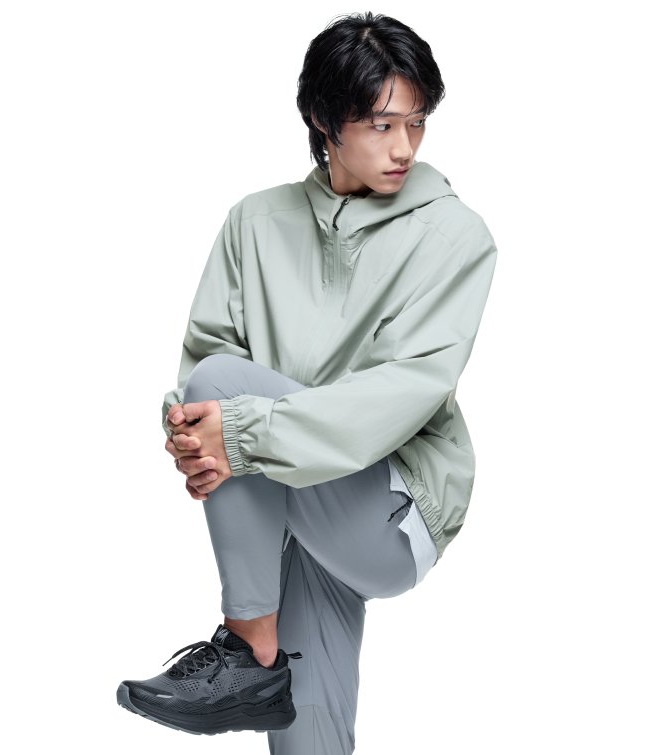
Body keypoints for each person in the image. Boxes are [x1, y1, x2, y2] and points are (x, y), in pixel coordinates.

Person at [116, 10, 498, 755]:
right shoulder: (255, 222)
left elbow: (407, 389)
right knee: (308, 735)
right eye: (381, 125)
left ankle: (245, 646)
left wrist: (235, 432)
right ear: (324, 119)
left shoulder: (454, 236)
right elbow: (205, 362)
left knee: (221, 388)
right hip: (287, 504)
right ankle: (261, 670)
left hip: (389, 506)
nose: (404, 147)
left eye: (416, 123)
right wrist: (190, 433)